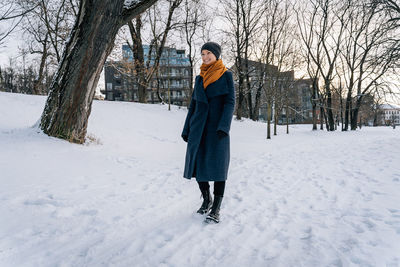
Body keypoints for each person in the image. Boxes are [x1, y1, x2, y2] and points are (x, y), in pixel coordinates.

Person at [181, 42, 235, 223]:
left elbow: (230, 102)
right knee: (197, 166)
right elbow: (193, 105)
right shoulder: (199, 78)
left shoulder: (226, 75)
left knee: (219, 169)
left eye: (208, 53)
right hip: (198, 128)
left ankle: (216, 209)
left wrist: (224, 126)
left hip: (217, 129)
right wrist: (187, 128)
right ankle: (206, 200)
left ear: (217, 55)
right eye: (203, 54)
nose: (205, 57)